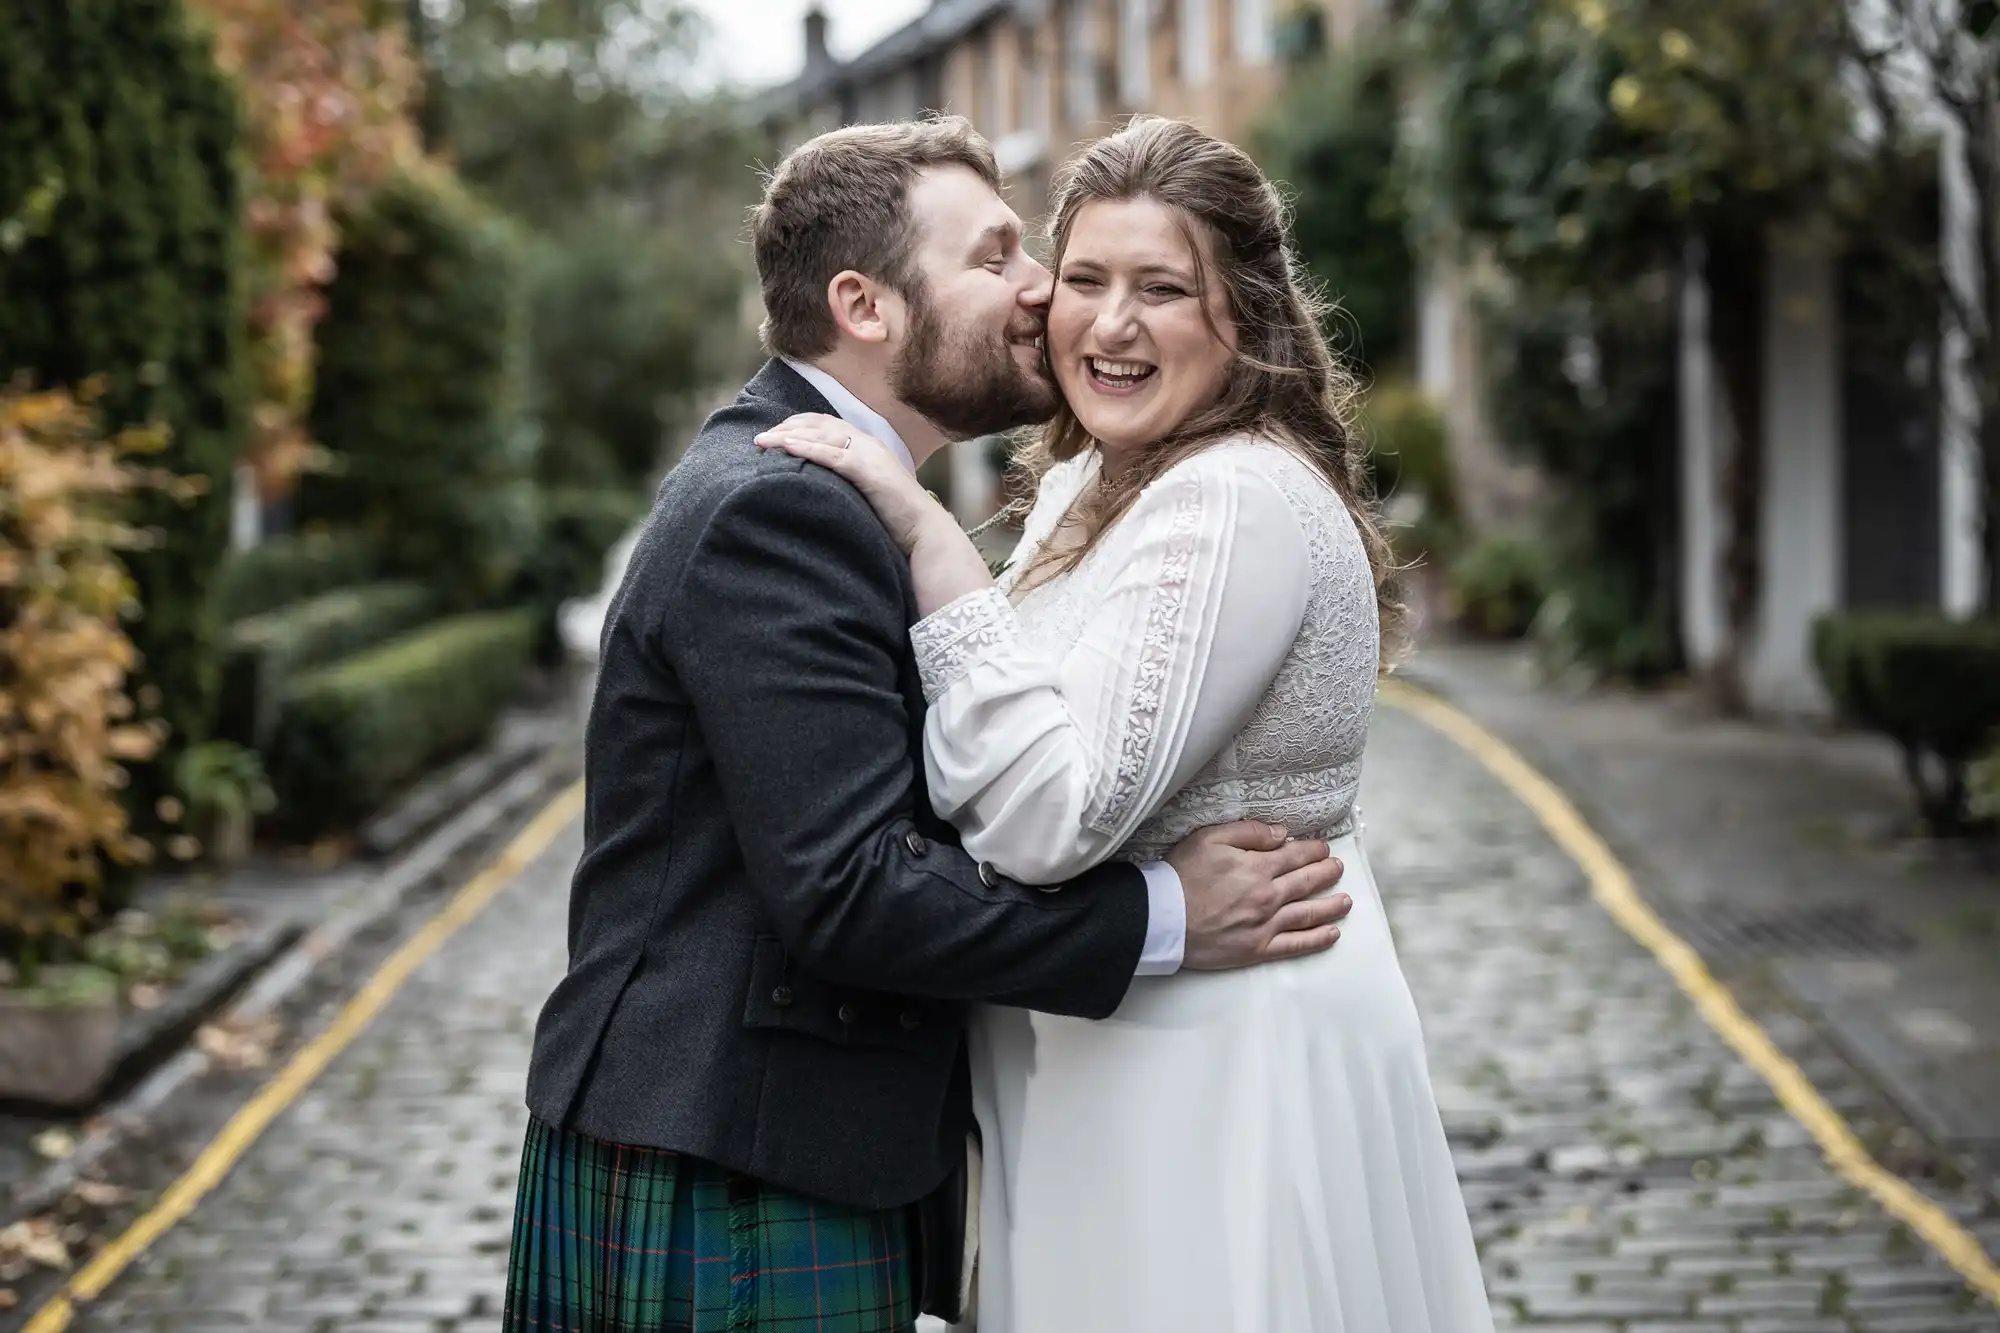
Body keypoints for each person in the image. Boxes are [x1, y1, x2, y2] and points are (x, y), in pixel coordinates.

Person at [502, 116, 1354, 1333]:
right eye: (996, 256)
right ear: (864, 304)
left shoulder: (837, 495)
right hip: (735, 1159)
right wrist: (1162, 915)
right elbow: (850, 886)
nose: (1039, 290)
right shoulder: (778, 509)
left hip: (790, 1145)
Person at [756, 116, 1495, 1333]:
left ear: (1241, 316)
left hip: (1213, 1062)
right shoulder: (1099, 485)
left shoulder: (1232, 496)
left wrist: (934, 544)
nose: (1110, 324)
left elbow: (1049, 816)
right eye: (1085, 281)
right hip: (1119, 1050)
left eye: (1163, 289)